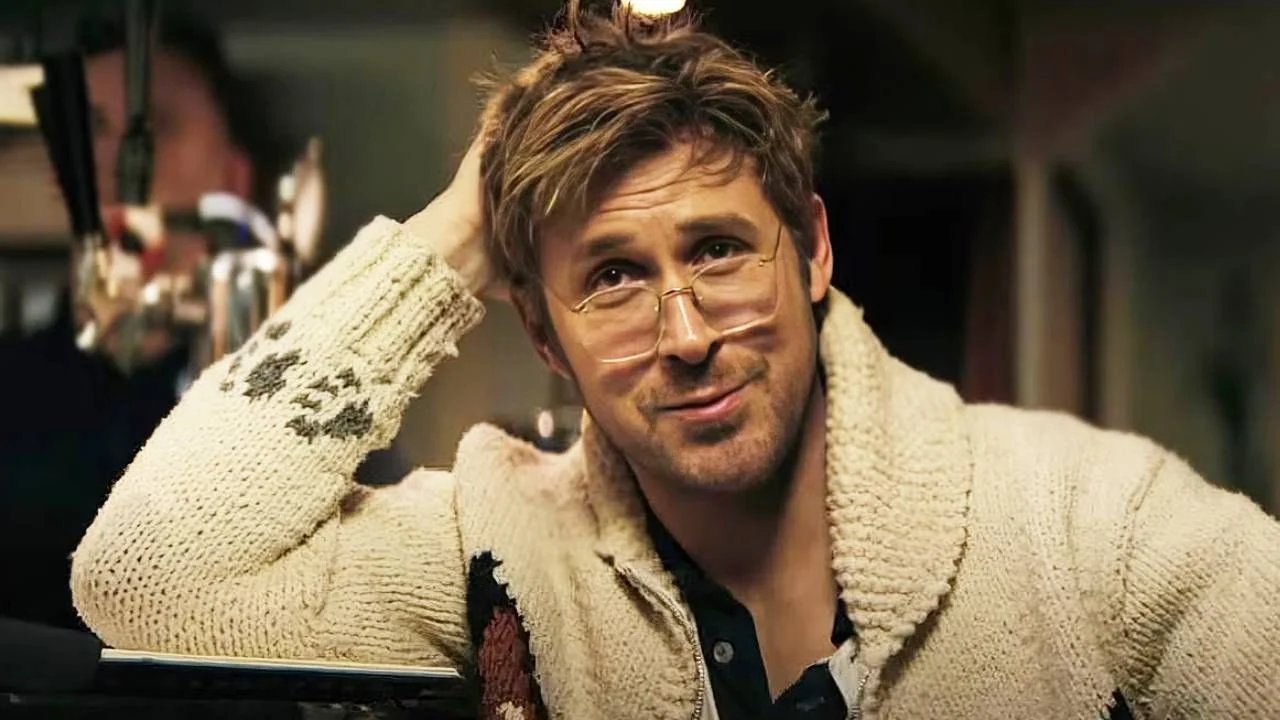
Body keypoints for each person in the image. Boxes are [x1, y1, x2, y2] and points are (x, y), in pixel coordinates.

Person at [71, 4, 1279, 719]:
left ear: (811, 250)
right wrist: (457, 232)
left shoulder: (1080, 521)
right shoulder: (495, 552)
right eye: (611, 277)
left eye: (716, 250)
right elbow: (146, 575)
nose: (687, 334)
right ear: (539, 335)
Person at [0, 13, 257, 631]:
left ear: (232, 177)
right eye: (91, 128)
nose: (116, 161)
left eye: (156, 126)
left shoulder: (279, 405)